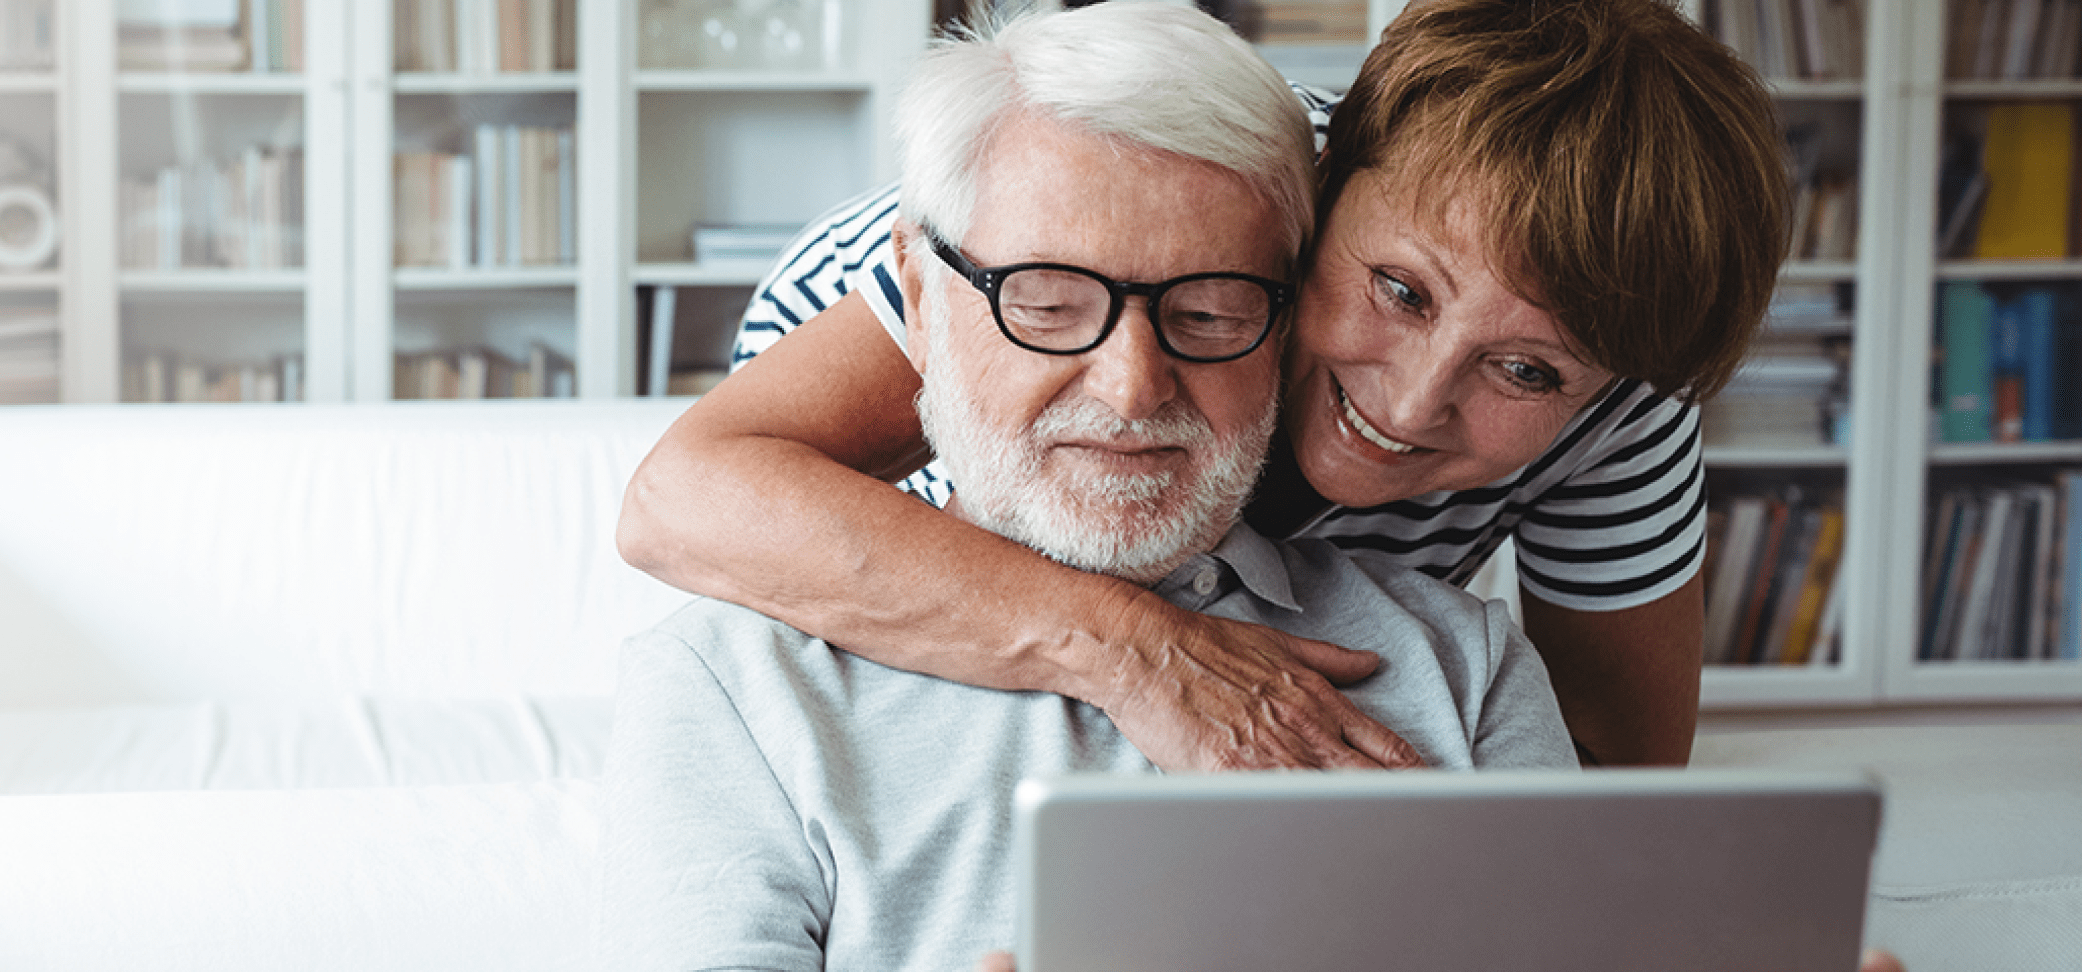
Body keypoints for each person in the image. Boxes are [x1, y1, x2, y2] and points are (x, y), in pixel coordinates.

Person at [602, 8, 1575, 966]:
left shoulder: (1466, 668)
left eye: (1209, 310)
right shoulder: (731, 689)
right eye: (1048, 304)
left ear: (1286, 322)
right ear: (919, 292)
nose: (1132, 388)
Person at [617, 0, 1789, 769]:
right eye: (1399, 291)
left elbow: (1616, 790)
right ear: (1324, 188)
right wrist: (1134, 646)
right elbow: (686, 498)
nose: (1413, 402)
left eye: (1526, 370)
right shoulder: (1098, 236)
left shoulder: (1625, 390)